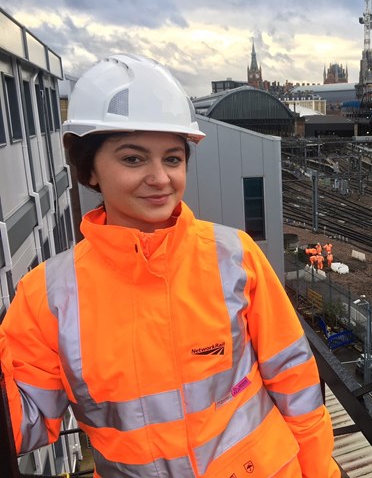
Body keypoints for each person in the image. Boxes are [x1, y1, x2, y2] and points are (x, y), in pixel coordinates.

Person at [0, 53, 339, 478]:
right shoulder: (48, 296)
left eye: (173, 159)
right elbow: (24, 420)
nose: (159, 177)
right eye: (133, 158)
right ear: (89, 169)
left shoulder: (234, 256)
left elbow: (296, 382)